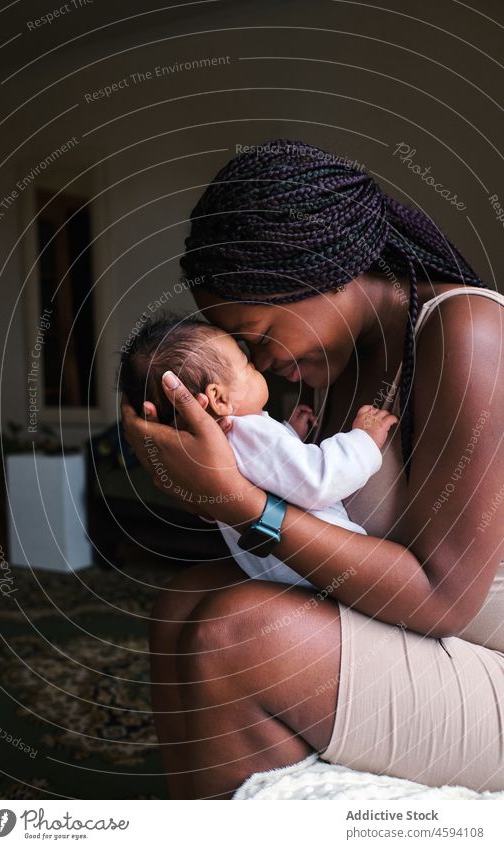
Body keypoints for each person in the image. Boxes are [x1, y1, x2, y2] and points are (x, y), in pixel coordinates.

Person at [121, 140, 504, 800]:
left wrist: (244, 504)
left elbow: (442, 599)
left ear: (323, 271)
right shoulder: (324, 364)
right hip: (412, 624)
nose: (261, 363)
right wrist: (205, 479)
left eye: (256, 331)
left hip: (479, 644)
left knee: (235, 634)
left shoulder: (467, 332)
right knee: (181, 604)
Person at [118, 314, 397, 587]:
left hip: (275, 570)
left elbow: (268, 477)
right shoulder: (250, 432)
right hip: (325, 567)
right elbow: (319, 480)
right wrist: (364, 439)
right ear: (218, 398)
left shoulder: (204, 451)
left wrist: (289, 434)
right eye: (248, 365)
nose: (259, 367)